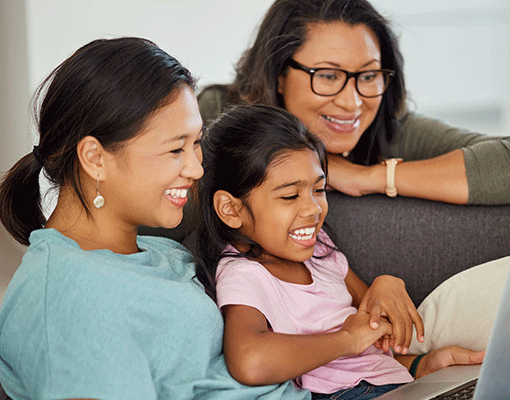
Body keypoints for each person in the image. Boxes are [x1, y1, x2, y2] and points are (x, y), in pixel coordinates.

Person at [0, 37, 309, 400]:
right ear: (95, 158)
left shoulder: (155, 250)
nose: (196, 168)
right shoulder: (64, 291)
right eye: (176, 149)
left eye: (196, 143)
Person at [195, 104, 487, 399]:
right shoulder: (243, 273)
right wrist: (346, 339)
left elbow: (370, 336)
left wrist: (422, 363)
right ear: (231, 209)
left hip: (395, 384)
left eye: (319, 190)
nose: (313, 208)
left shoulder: (320, 249)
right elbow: (250, 362)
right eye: (290, 195)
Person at [197, 0, 510, 205]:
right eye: (329, 76)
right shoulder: (218, 114)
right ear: (279, 75)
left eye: (367, 76)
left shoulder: (389, 129)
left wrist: (368, 177)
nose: (352, 103)